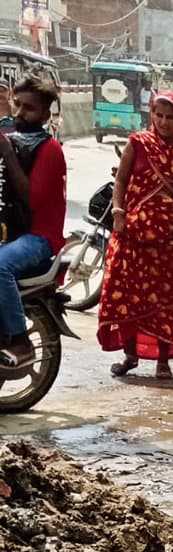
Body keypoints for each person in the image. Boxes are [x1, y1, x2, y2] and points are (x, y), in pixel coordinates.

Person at [98, 93, 173, 380]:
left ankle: (163, 360)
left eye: (170, 117)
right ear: (152, 115)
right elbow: (121, 180)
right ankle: (130, 355)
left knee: (163, 299)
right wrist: (118, 212)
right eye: (159, 115)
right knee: (128, 295)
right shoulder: (138, 143)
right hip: (131, 235)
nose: (164, 122)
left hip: (168, 240)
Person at [0, 76, 65, 376]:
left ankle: (20, 341)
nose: (19, 112)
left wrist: (6, 152)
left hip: (40, 237)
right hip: (12, 232)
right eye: (17, 105)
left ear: (45, 114)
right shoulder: (12, 139)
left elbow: (31, 199)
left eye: (29, 108)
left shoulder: (50, 149)